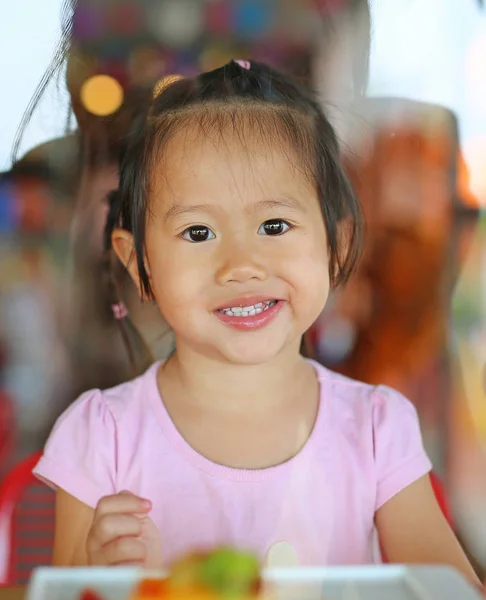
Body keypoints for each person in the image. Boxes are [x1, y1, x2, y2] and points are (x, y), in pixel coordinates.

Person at [31, 60, 479, 583]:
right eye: (198, 233)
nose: (241, 264)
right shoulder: (100, 437)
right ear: (139, 263)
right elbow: (62, 592)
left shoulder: (378, 432)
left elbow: (452, 593)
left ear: (338, 246)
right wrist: (99, 575)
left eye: (274, 225)